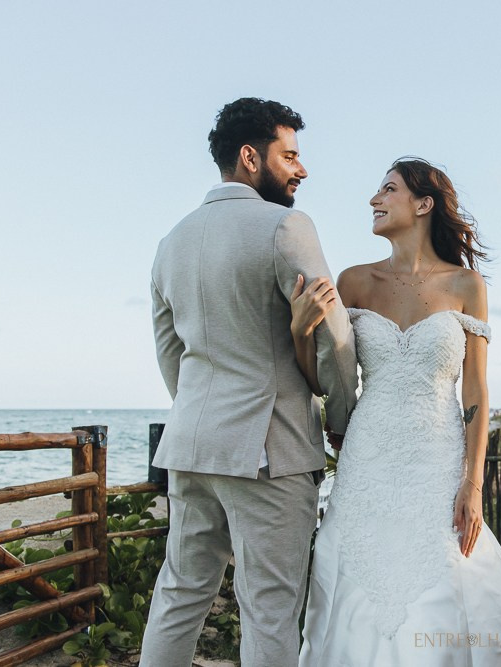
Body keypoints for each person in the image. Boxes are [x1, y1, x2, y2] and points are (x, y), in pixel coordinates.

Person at [293, 158, 501, 665]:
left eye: (387, 189)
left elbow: (476, 392)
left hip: (437, 458)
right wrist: (299, 331)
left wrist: (473, 483)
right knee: (358, 577)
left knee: (444, 575)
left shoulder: (467, 285)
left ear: (423, 204)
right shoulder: (354, 282)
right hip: (368, 458)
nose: (374, 200)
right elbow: (322, 380)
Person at [142, 97, 358, 667]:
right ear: (249, 157)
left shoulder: (171, 243)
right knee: (269, 608)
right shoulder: (286, 225)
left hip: (191, 447)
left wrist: (198, 417)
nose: (301, 169)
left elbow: (172, 355)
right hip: (270, 450)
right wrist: (342, 419)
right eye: (289, 156)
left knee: (180, 594)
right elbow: (335, 337)